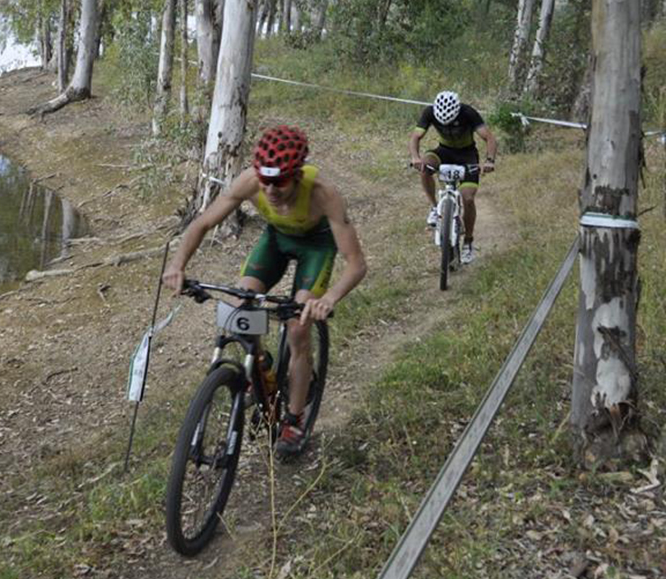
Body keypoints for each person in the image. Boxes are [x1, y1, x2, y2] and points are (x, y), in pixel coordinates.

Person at [162, 125, 367, 458]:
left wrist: (328, 299)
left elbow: (356, 263)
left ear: (297, 175)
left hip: (316, 247)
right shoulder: (249, 182)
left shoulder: (323, 194)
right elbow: (202, 223)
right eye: (265, 180)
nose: (270, 190)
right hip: (275, 240)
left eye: (279, 182)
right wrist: (177, 265)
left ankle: (294, 419)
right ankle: (261, 369)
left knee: (298, 327)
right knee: (238, 308)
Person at [408, 91, 497, 265]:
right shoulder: (429, 112)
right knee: (425, 167)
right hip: (444, 151)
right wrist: (415, 157)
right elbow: (415, 137)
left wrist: (489, 161)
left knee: (468, 198)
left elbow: (489, 138)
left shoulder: (468, 112)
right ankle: (434, 207)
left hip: (468, 155)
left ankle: (468, 242)